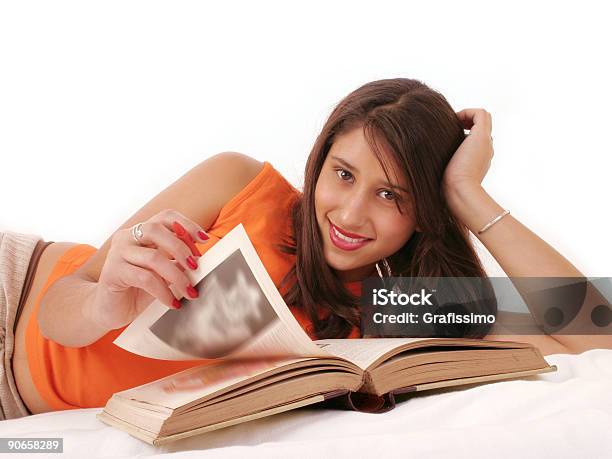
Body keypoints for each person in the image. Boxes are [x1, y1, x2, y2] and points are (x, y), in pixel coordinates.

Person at [1, 78, 609, 420]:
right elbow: (60, 303)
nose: (349, 215)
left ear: (425, 212)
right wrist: (104, 305)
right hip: (16, 287)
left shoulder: (397, 309)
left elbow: (595, 330)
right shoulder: (238, 182)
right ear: (318, 163)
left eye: (391, 195)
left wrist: (468, 194)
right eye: (342, 174)